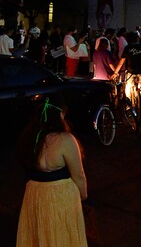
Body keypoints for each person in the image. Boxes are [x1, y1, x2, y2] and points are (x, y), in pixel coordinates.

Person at [16, 95, 88, 246]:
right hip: (60, 196)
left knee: (40, 235)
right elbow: (79, 175)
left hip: (35, 195)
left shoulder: (28, 138)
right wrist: (83, 195)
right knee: (62, 237)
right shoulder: (66, 140)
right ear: (60, 114)